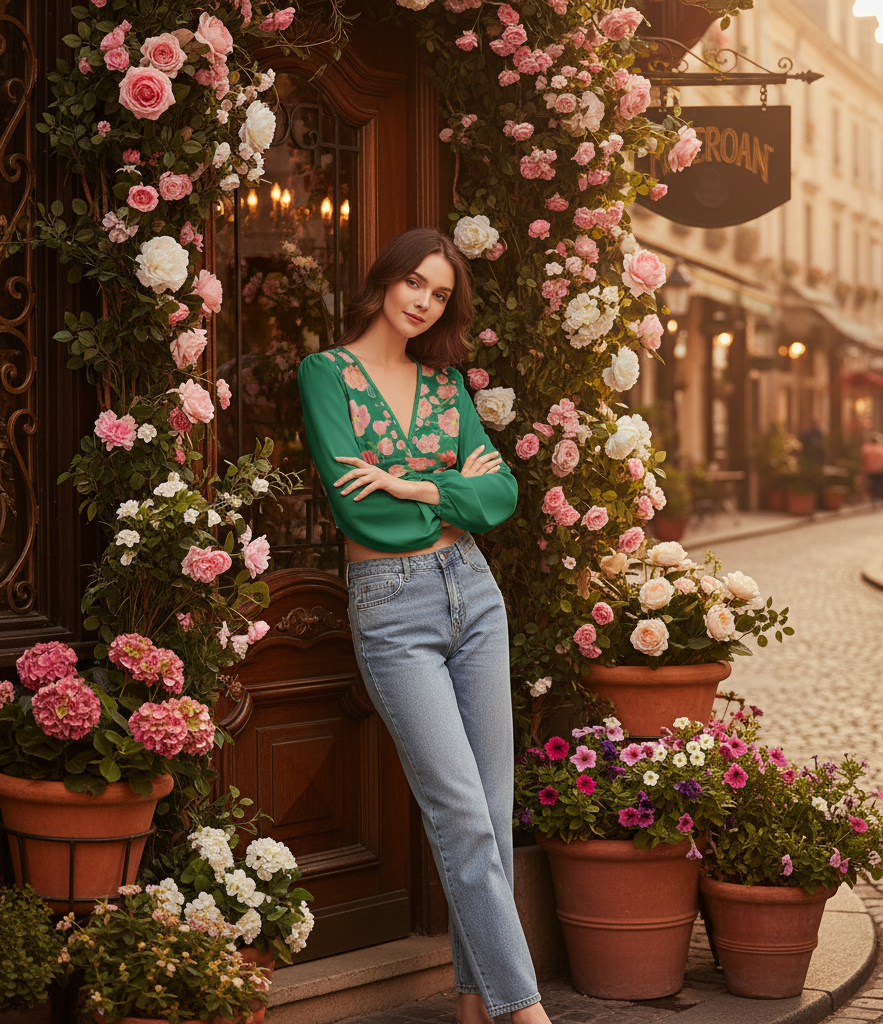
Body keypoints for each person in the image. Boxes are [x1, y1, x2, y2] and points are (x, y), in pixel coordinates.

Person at [297, 228, 550, 1024]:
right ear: (383, 281)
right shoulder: (325, 375)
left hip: (474, 592)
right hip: (392, 604)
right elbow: (354, 504)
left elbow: (500, 499)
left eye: (439, 294)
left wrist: (411, 486)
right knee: (462, 815)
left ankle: (478, 1004)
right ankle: (526, 1010)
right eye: (414, 282)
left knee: (494, 816)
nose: (422, 301)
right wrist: (447, 485)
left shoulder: (445, 387)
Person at [860, 432, 883, 504]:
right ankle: (882, 498)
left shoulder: (866, 448)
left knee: (872, 484)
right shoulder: (882, 448)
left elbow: (863, 459)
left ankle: (874, 498)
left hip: (870, 470)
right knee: (881, 484)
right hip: (881, 470)